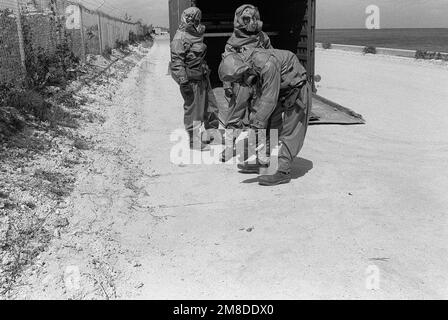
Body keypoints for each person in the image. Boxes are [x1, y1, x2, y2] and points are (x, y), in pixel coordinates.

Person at [219, 48, 311, 186]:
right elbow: (251, 102)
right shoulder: (247, 68)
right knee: (269, 125)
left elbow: (269, 100)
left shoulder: (267, 65)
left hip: (296, 89)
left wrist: (256, 124)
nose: (242, 83)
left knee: (291, 131)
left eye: (240, 79)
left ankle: (282, 170)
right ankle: (263, 161)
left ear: (243, 70)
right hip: (280, 90)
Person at [170, 7, 219, 150]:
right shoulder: (180, 38)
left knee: (211, 107)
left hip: (203, 76)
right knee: (194, 110)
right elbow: (177, 62)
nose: (196, 22)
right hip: (191, 80)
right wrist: (183, 82)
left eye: (197, 19)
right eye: (193, 19)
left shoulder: (196, 34)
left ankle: (211, 134)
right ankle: (194, 141)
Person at [221, 4, 273, 130]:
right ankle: (230, 145)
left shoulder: (263, 37)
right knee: (235, 115)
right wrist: (227, 85)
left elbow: (272, 57)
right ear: (239, 19)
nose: (251, 22)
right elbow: (227, 64)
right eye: (246, 19)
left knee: (259, 116)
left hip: (259, 83)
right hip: (241, 83)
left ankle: (255, 144)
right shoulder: (233, 41)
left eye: (254, 18)